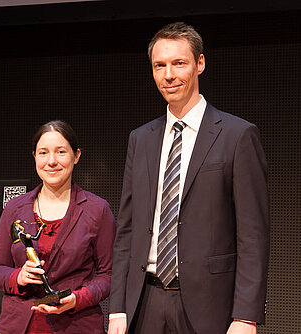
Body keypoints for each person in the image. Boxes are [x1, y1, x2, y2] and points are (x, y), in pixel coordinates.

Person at [108, 22, 269, 334]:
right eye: (159, 65)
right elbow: (126, 231)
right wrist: (117, 308)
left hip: (210, 304)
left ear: (200, 64)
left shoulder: (237, 136)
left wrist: (246, 316)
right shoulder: (140, 139)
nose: (169, 75)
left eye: (179, 63)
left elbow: (253, 235)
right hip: (145, 303)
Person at [0, 120, 116, 333]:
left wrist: (78, 298)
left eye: (61, 152)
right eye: (43, 153)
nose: (52, 161)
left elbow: (109, 275)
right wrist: (17, 277)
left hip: (76, 325)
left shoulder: (97, 210)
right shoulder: (14, 208)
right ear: (35, 157)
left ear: (76, 156)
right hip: (20, 326)